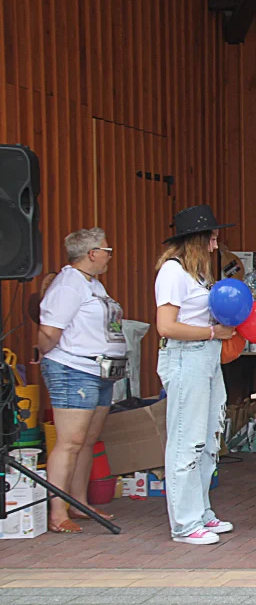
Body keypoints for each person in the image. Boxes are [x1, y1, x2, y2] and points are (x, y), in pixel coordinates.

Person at [154, 205, 237, 546]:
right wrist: (212, 334)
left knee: (207, 439)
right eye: (212, 239)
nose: (215, 247)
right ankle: (184, 524)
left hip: (205, 359)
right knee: (186, 441)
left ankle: (200, 511)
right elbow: (166, 326)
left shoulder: (196, 276)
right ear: (196, 241)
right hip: (187, 357)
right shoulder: (172, 273)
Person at [36, 228, 127, 534]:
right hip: (73, 369)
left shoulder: (93, 285)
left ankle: (78, 500)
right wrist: (45, 356)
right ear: (91, 254)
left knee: (87, 439)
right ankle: (57, 510)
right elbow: (49, 332)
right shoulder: (68, 285)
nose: (109, 255)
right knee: (70, 441)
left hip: (100, 370)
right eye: (106, 249)